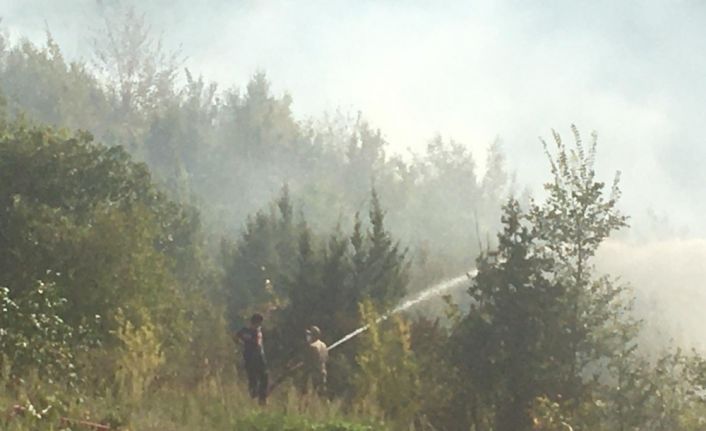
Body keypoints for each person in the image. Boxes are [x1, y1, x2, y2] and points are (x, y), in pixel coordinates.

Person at [234, 313, 268, 405]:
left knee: (256, 377)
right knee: (260, 377)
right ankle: (258, 397)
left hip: (250, 356)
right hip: (255, 357)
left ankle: (258, 397)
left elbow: (236, 338)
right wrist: (244, 344)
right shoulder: (254, 331)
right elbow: (237, 338)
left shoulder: (245, 331)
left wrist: (242, 344)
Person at [303, 325, 328, 395]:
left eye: (310, 335)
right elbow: (326, 358)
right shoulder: (324, 345)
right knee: (322, 395)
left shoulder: (312, 347)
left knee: (313, 395)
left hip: (314, 375)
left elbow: (308, 364)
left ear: (313, 336)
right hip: (323, 373)